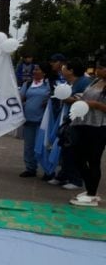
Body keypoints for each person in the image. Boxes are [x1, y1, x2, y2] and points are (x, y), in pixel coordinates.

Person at [68, 58, 106, 207]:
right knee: (78, 157)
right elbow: (84, 96)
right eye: (98, 67)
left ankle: (92, 193)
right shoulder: (94, 81)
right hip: (83, 123)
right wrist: (73, 99)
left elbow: (98, 104)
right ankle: (91, 189)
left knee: (93, 160)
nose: (99, 70)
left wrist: (95, 104)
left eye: (102, 67)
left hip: (99, 126)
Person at [49, 59, 92, 189]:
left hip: (78, 121)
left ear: (71, 70)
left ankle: (76, 179)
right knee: (64, 147)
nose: (62, 70)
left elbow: (81, 99)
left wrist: (67, 99)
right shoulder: (70, 82)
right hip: (68, 119)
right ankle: (63, 175)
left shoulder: (84, 83)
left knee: (72, 149)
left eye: (65, 67)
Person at [18, 64, 50, 178]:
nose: (35, 71)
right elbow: (20, 98)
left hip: (42, 121)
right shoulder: (27, 84)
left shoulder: (49, 85)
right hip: (28, 120)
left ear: (44, 72)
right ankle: (30, 168)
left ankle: (48, 171)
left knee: (42, 147)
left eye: (37, 69)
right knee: (29, 146)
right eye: (34, 69)